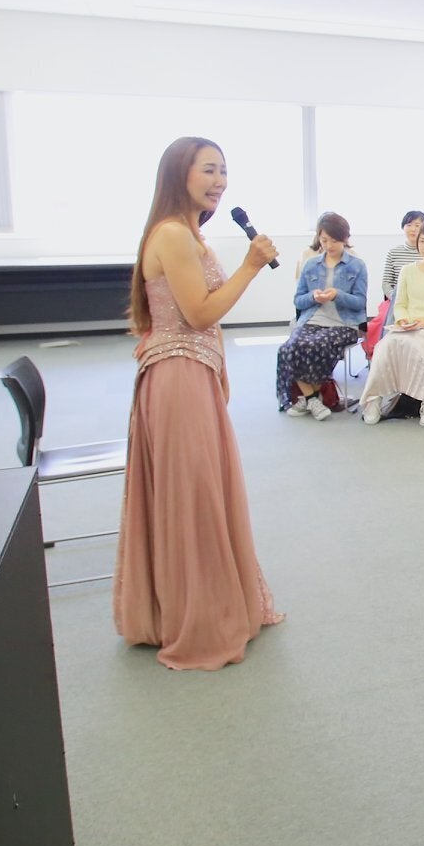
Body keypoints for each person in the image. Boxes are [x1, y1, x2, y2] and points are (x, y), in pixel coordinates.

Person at [114, 136, 281, 670]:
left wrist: (218, 368)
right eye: (208, 170)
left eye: (223, 171)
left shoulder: (186, 234)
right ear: (178, 175)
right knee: (193, 497)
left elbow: (200, 319)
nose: (219, 181)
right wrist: (251, 265)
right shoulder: (172, 234)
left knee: (197, 490)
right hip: (178, 378)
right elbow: (200, 313)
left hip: (190, 373)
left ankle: (184, 607)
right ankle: (196, 618)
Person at [361, 221, 424, 427]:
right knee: (385, 346)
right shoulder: (407, 271)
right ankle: (373, 399)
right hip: (409, 329)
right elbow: (400, 305)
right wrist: (403, 320)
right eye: (422, 241)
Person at [278, 212, 369, 418]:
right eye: (324, 240)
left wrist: (337, 295)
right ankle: (313, 399)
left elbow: (360, 303)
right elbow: (298, 300)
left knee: (316, 346)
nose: (329, 245)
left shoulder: (357, 265)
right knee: (288, 349)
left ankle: (308, 399)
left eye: (334, 240)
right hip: (312, 320)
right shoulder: (311, 264)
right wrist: (313, 297)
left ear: (345, 239)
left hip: (344, 324)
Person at [382, 210, 424, 300]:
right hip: (398, 300)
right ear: (403, 227)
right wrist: (397, 298)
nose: (413, 229)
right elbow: (386, 283)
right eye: (409, 225)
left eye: (417, 225)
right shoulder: (393, 253)